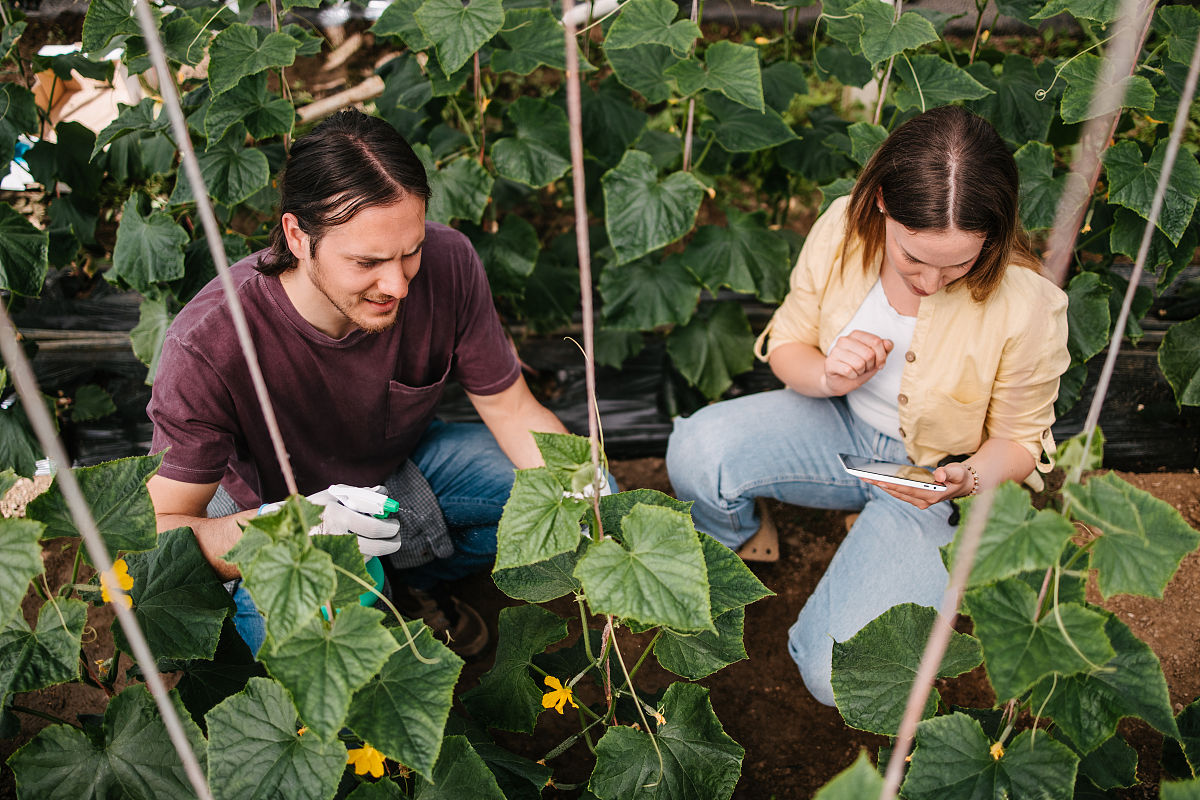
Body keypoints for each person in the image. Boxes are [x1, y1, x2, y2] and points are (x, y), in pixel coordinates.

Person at [665, 106, 1070, 706]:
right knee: (697, 453)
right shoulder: (841, 229)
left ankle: (891, 539)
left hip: (932, 478)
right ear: (882, 201)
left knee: (842, 677)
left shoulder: (1028, 305)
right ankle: (746, 539)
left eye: (960, 263)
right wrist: (829, 374)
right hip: (835, 424)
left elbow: (1019, 440)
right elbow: (786, 345)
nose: (933, 282)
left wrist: (966, 479)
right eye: (914, 258)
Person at [146, 110, 570, 658]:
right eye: (366, 261)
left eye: (409, 251)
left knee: (555, 505)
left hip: (395, 479)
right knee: (325, 672)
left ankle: (412, 585)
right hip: (272, 516)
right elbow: (159, 532)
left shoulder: (450, 263)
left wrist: (584, 489)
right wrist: (291, 530)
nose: (396, 284)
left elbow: (511, 410)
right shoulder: (208, 342)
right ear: (298, 236)